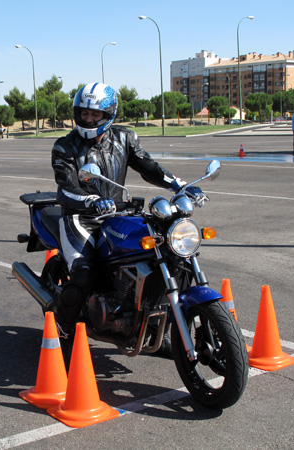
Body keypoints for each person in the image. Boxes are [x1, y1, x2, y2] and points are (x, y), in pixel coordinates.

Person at [51, 82, 206, 362]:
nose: (88, 119)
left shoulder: (125, 138)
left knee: (169, 258)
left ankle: (163, 332)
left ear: (109, 114)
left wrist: (180, 186)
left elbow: (149, 168)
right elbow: (65, 187)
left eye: (95, 115)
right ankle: (62, 337)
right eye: (84, 113)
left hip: (115, 214)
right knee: (84, 274)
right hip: (79, 217)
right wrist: (89, 200)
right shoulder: (65, 146)